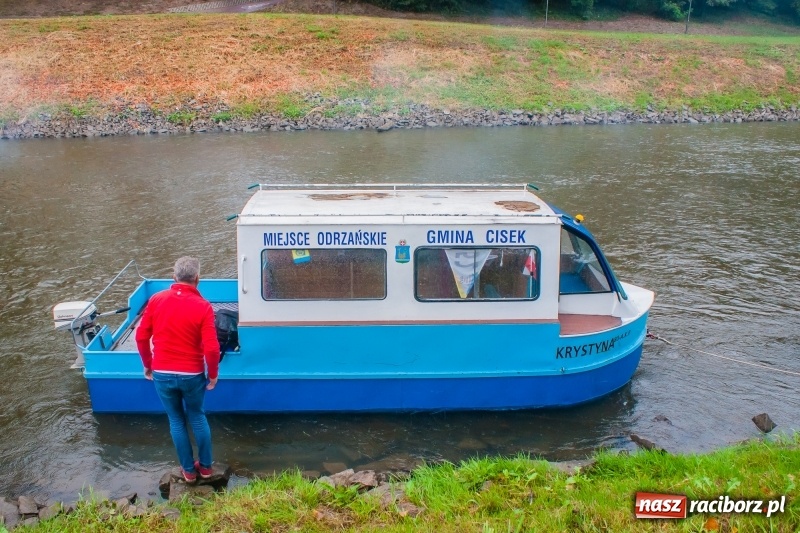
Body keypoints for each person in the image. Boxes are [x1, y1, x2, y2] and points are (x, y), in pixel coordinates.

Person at [136, 256, 220, 483]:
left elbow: (141, 336)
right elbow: (212, 348)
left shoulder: (156, 300)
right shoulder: (203, 307)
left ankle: (188, 472)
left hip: (162, 372)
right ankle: (205, 468)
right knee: (197, 417)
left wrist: (148, 364)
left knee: (175, 420)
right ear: (197, 279)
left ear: (174, 277)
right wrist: (212, 375)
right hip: (192, 374)